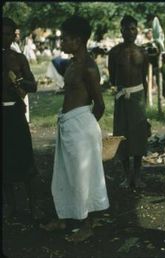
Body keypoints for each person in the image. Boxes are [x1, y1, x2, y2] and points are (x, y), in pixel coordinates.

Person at [40, 15, 109, 242]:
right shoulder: (72, 64)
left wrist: (85, 126)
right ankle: (64, 217)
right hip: (69, 125)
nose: (61, 43)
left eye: (65, 39)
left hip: (81, 126)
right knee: (64, 176)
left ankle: (87, 225)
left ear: (78, 40)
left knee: (82, 177)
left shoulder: (89, 68)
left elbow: (99, 105)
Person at [2, 17, 44, 220]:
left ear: (13, 35)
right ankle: (11, 206)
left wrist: (18, 81)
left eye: (8, 33)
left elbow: (33, 85)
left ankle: (33, 206)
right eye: (2, 33)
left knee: (25, 159)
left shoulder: (19, 58)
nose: (5, 37)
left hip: (16, 113)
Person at [108, 15, 150, 190]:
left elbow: (145, 79)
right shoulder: (115, 53)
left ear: (137, 30)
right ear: (121, 31)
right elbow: (112, 78)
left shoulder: (143, 53)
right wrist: (122, 91)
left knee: (139, 134)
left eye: (133, 28)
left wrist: (144, 102)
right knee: (122, 134)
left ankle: (138, 175)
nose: (130, 32)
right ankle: (127, 176)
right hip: (122, 98)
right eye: (126, 29)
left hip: (138, 97)